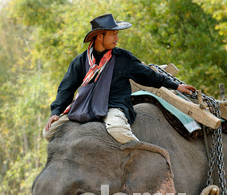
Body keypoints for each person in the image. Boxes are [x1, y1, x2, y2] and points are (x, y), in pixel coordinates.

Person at [43, 13, 196, 143]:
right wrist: (56, 113)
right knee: (48, 132)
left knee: (117, 129)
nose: (117, 38)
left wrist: (175, 86)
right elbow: (66, 88)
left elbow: (148, 76)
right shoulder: (81, 61)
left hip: (113, 106)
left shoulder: (123, 58)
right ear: (99, 36)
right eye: (113, 34)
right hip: (86, 106)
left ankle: (142, 154)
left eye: (117, 34)